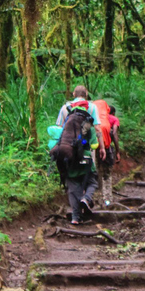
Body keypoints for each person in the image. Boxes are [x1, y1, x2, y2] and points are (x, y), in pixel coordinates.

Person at [55, 85, 106, 223]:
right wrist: (102, 147)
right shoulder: (92, 107)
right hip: (86, 152)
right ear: (86, 94)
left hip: (68, 153)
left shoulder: (65, 107)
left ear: (73, 94)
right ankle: (86, 199)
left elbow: (59, 129)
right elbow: (97, 129)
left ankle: (76, 217)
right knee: (90, 179)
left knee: (72, 184)